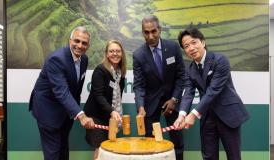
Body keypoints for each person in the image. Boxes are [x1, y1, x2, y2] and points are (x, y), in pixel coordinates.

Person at [174, 28, 250, 160]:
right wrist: (181, 115)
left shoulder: (220, 60)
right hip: (207, 117)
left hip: (228, 115)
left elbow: (213, 91)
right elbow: (188, 92)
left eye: (194, 42)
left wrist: (193, 114)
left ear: (202, 42)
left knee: (233, 156)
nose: (191, 48)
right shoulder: (190, 69)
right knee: (209, 156)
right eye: (186, 46)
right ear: (184, 51)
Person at [29, 26, 95, 160]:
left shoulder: (85, 60)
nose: (80, 45)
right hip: (48, 110)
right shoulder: (56, 59)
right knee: (53, 153)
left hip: (66, 112)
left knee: (63, 148)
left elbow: (76, 89)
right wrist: (81, 115)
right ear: (69, 41)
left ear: (88, 45)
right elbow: (61, 91)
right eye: (76, 41)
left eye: (84, 43)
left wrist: (73, 111)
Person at [133, 15, 185, 160]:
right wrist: (140, 107)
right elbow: (138, 85)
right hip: (150, 105)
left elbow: (181, 76)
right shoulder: (138, 55)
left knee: (177, 142)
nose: (150, 36)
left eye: (153, 31)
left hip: (172, 103)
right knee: (150, 143)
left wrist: (174, 99)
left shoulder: (173, 47)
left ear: (160, 30)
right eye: (146, 32)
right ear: (142, 32)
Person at [84, 40, 127, 159]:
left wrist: (114, 113)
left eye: (118, 51)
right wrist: (112, 111)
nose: (115, 54)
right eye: (111, 51)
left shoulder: (120, 73)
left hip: (110, 119)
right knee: (100, 149)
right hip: (96, 117)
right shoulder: (100, 70)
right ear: (107, 54)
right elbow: (98, 96)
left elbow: (118, 97)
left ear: (122, 54)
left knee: (109, 151)